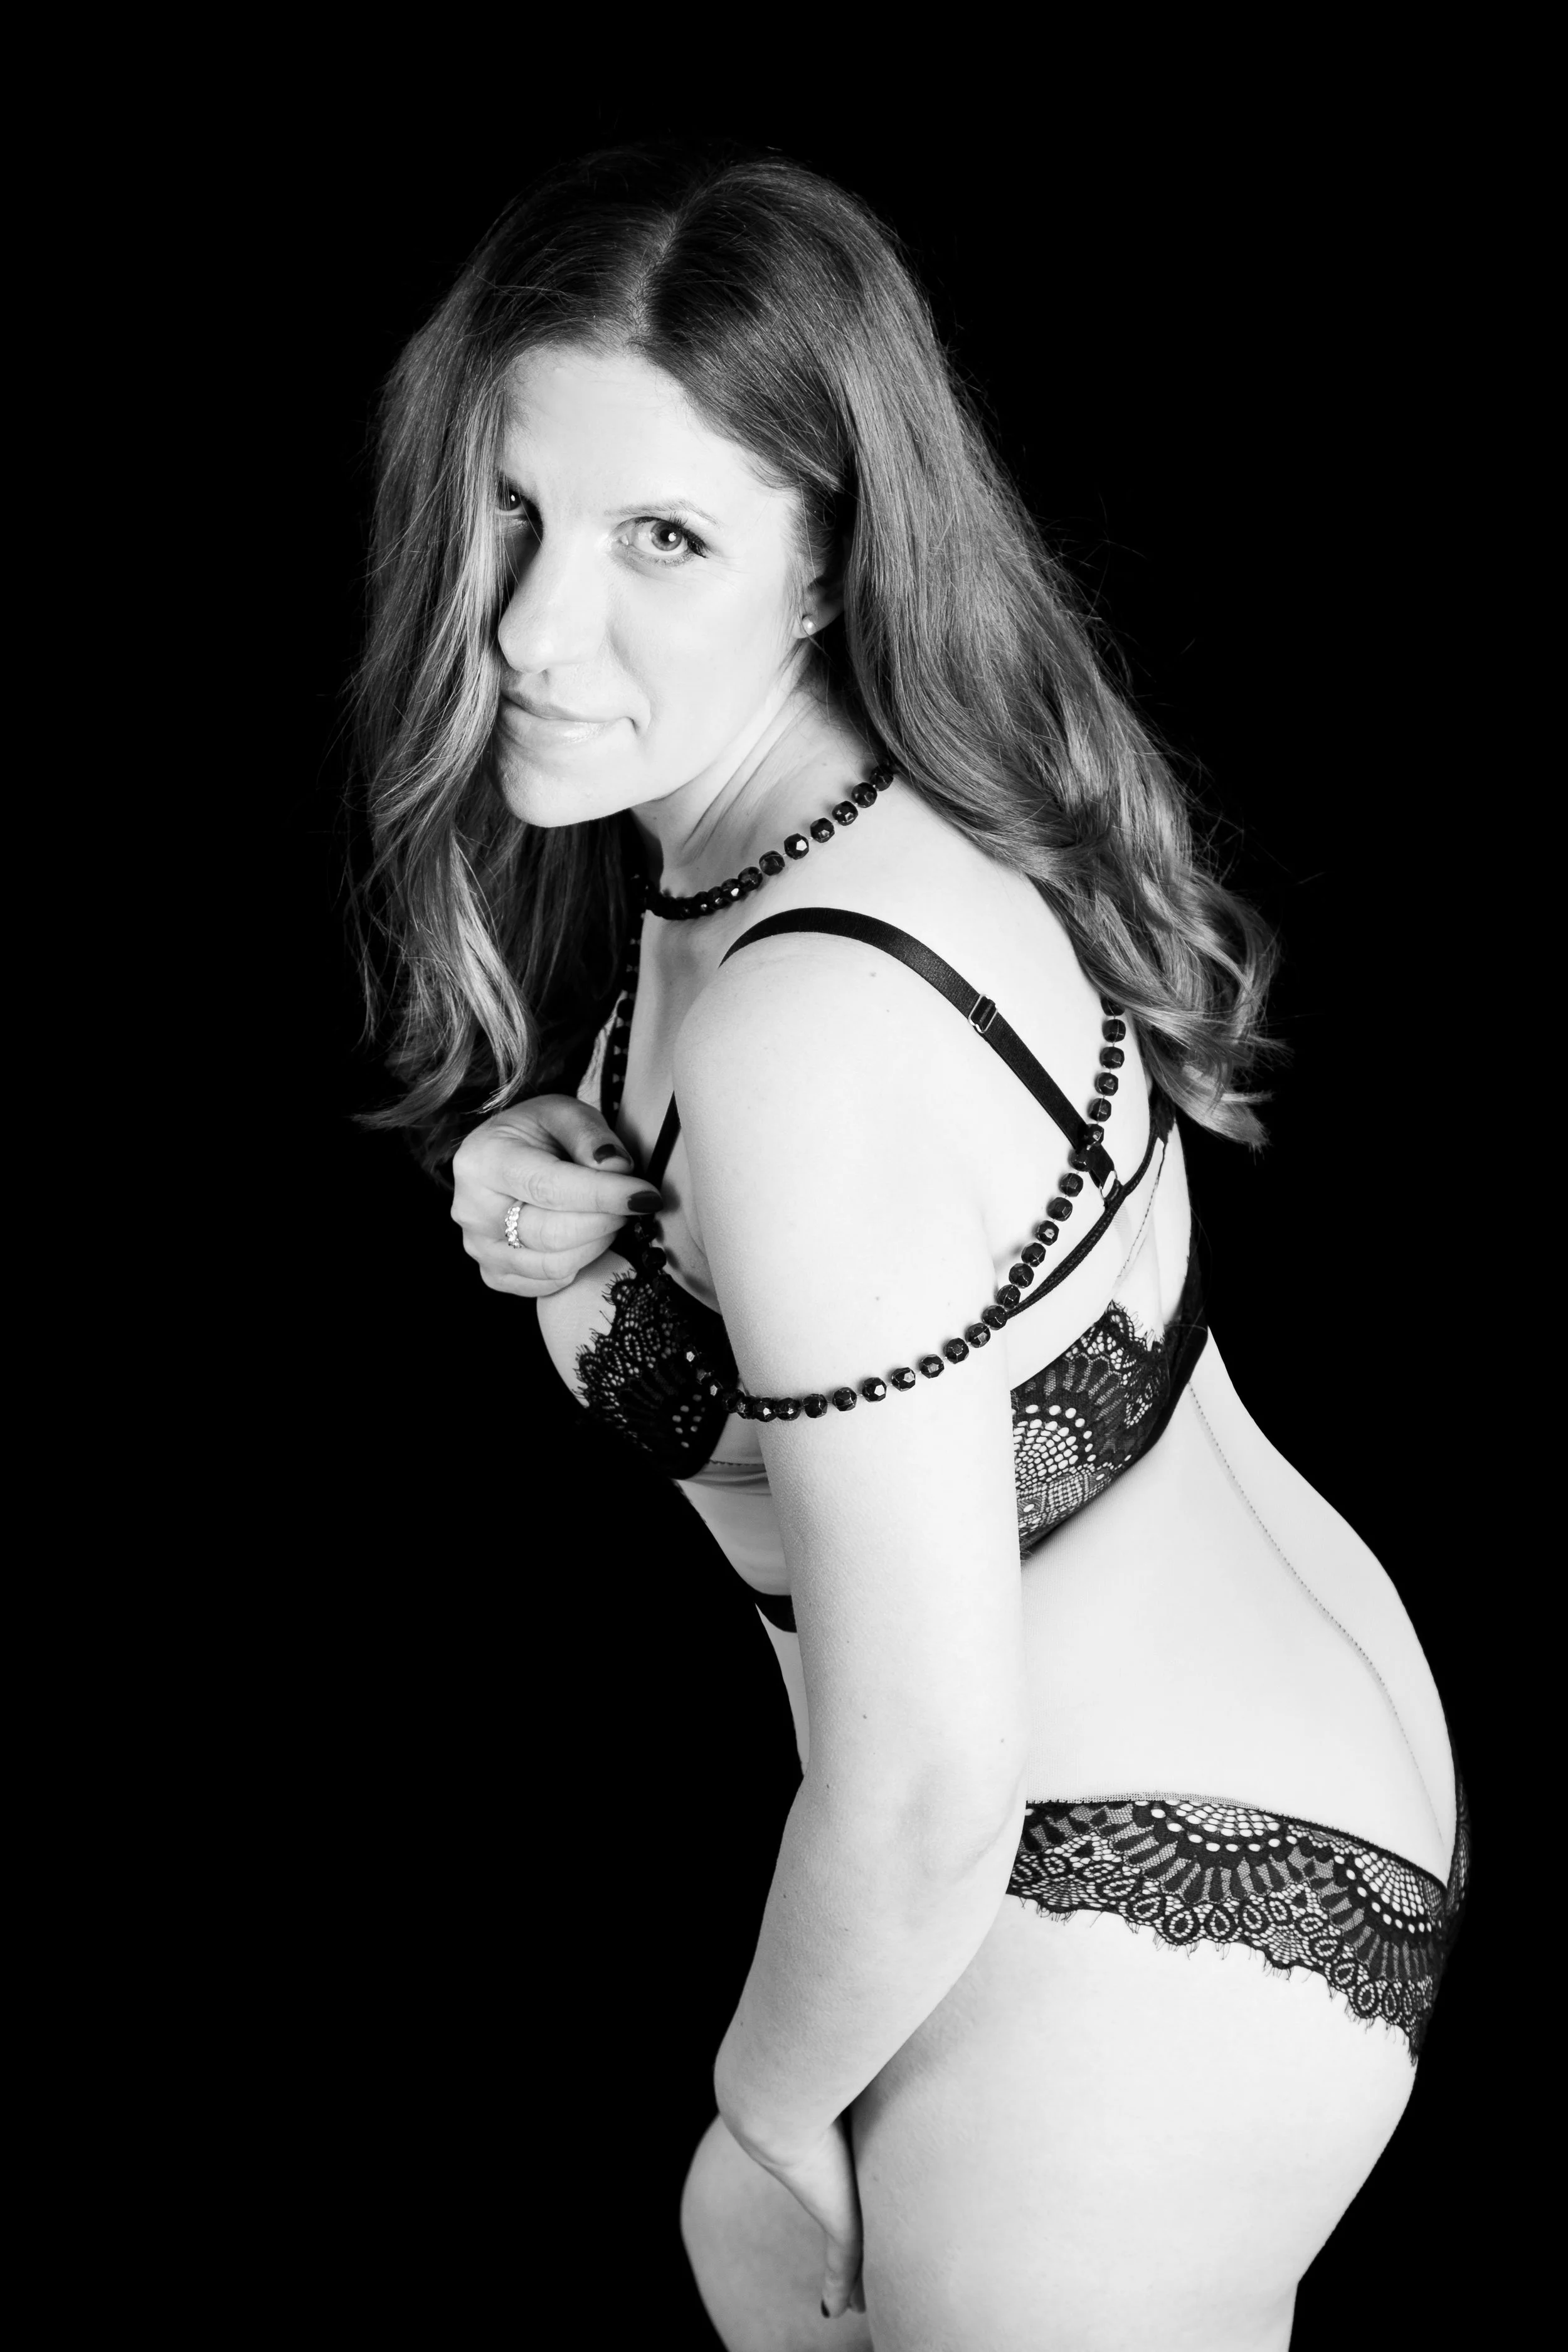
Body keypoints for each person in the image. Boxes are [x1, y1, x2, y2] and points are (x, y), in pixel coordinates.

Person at [350, 142, 1470, 2351]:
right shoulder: (851, 823)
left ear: (825, 560)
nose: (535, 628)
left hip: (1091, 1903)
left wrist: (759, 2123)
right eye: (508, 508)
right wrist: (556, 1204)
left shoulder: (804, 1029)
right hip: (1256, 1773)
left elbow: (929, 1783)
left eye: (663, 537)